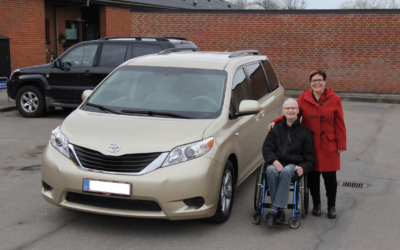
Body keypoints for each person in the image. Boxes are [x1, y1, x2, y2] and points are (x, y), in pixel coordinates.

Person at [268, 70, 347, 219]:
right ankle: (316, 205)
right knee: (313, 178)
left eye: (320, 80)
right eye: (314, 80)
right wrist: (276, 121)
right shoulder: (304, 97)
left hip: (329, 145)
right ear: (310, 83)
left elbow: (340, 123)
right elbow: (291, 111)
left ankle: (331, 206)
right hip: (310, 145)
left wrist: (341, 143)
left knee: (330, 179)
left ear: (325, 81)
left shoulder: (335, 99)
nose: (317, 83)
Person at [262, 98, 315, 227]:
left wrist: (303, 167)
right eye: (288, 108)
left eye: (293, 108)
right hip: (276, 163)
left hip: (293, 165)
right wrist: (274, 161)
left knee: (286, 171)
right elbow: (266, 148)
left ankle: (274, 210)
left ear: (297, 111)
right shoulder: (275, 129)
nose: (290, 110)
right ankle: (279, 211)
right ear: (283, 111)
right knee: (269, 170)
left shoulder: (305, 132)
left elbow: (310, 159)